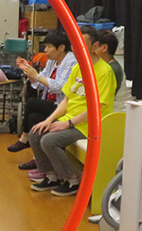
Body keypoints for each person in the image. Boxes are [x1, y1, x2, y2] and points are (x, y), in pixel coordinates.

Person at [27, 26, 116, 197]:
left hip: (89, 125)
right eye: (75, 44)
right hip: (70, 119)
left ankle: (72, 180)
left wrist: (67, 124)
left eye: (82, 44)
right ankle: (51, 176)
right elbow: (66, 100)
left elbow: (96, 108)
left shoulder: (104, 72)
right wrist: (49, 120)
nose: (76, 48)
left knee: (49, 140)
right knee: (35, 133)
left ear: (95, 46)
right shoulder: (78, 68)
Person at [8, 31, 77, 171]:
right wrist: (29, 71)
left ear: (61, 47)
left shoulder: (72, 62)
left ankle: (25, 139)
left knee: (32, 103)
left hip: (63, 107)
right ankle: (39, 160)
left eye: (49, 47)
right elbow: (39, 84)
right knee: (34, 117)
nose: (45, 50)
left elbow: (60, 87)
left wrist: (37, 76)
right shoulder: (52, 61)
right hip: (51, 104)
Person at [94, 29, 133, 111]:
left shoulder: (113, 69)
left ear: (104, 48)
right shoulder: (102, 66)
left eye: (95, 46)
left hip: (112, 111)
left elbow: (103, 98)